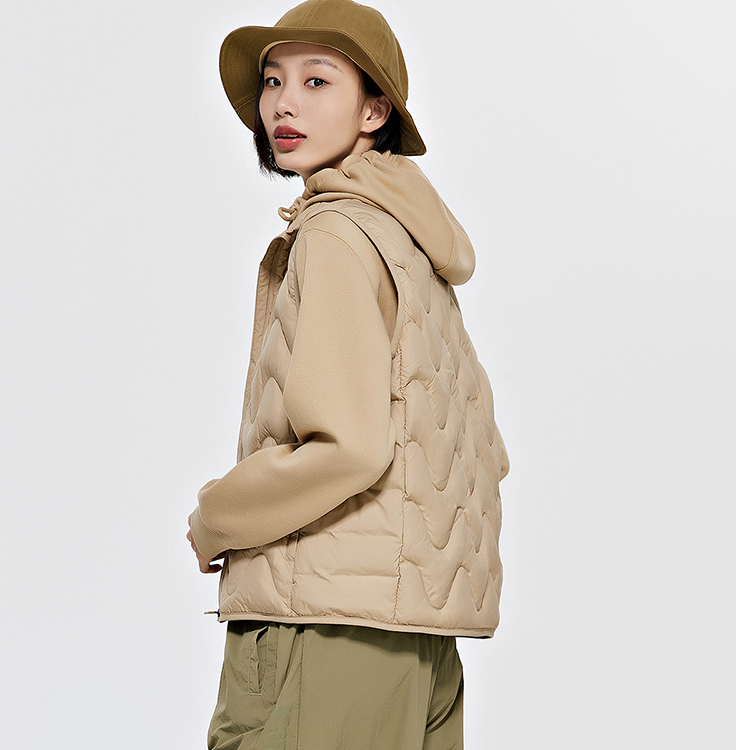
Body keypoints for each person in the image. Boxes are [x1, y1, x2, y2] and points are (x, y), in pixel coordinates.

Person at [186, 1, 509, 747]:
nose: (283, 103)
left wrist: (215, 518)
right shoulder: (409, 241)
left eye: (317, 80)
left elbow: (351, 448)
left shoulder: (336, 233)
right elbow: (479, 449)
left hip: (326, 628)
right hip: (417, 639)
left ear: (374, 111)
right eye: (273, 80)